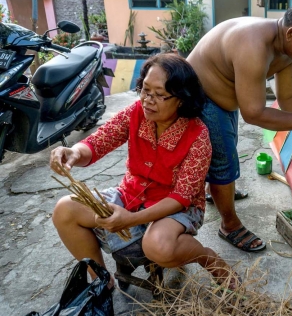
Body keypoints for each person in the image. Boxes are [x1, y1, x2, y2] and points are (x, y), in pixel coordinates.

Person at [50, 53, 239, 289]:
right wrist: (74, 153)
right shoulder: (136, 112)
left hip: (176, 206)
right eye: (145, 90)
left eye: (160, 95)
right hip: (130, 194)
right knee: (64, 210)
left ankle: (205, 256)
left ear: (181, 99)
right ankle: (100, 279)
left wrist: (131, 219)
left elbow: (182, 197)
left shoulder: (198, 136)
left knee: (158, 246)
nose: (149, 100)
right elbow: (99, 141)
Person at [187, 0, 292, 252]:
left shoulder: (287, 47)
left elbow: (287, 97)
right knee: (223, 160)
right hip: (197, 97)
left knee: (226, 148)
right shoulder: (254, 45)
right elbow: (254, 113)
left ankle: (218, 191)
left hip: (224, 99)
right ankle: (229, 225)